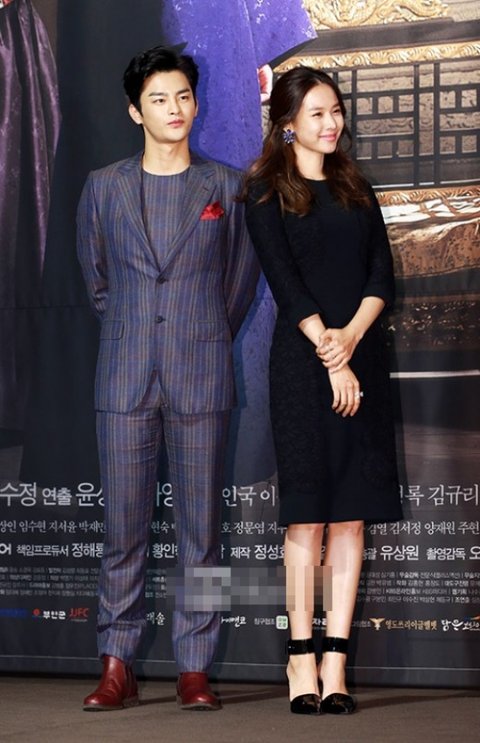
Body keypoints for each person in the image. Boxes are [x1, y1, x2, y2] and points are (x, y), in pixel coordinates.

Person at [76, 45, 259, 712]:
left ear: (196, 103)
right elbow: (99, 284)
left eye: (183, 95)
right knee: (122, 530)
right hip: (124, 379)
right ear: (136, 111)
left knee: (201, 533)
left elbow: (238, 285)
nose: (174, 108)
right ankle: (116, 662)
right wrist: (140, 333)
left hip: (201, 375)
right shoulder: (103, 188)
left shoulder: (227, 188)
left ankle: (195, 667)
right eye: (159, 98)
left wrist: (199, 333)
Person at [244, 66, 402, 715]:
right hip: (302, 367)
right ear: (287, 123)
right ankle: (300, 659)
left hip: (361, 359)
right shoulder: (264, 192)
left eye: (335, 110)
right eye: (317, 112)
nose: (331, 122)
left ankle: (336, 662)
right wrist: (329, 354)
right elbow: (285, 283)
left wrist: (351, 341)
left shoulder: (355, 187)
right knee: (307, 514)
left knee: (351, 515)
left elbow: (381, 275)